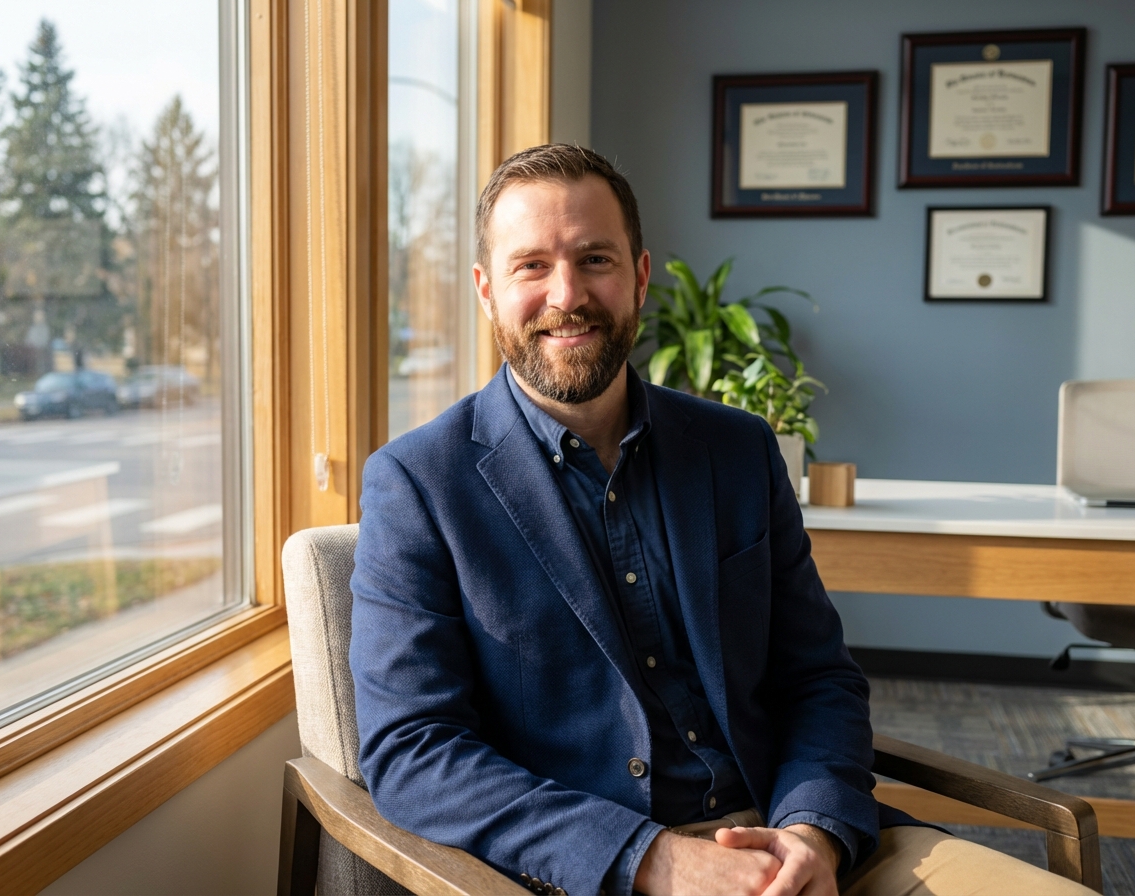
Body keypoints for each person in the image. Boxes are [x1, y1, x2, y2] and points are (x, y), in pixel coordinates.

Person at [350, 144, 1095, 896]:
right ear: (486, 290)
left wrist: (815, 830)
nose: (567, 293)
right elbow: (413, 751)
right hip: (599, 872)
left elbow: (818, 678)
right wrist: (652, 858)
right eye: (532, 265)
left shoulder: (738, 448)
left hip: (806, 845)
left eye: (595, 259)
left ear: (640, 276)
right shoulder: (418, 484)